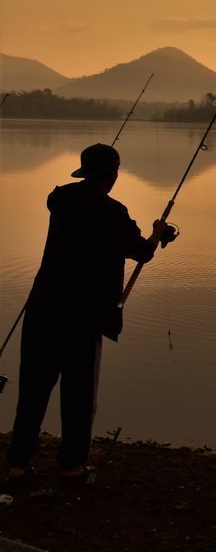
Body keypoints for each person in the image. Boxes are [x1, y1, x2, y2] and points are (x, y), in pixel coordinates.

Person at [6, 143, 177, 482]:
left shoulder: (60, 200)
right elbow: (141, 252)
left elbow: (72, 206)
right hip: (83, 317)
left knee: (33, 391)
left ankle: (17, 465)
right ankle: (70, 465)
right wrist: (159, 233)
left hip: (42, 309)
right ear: (111, 174)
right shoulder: (113, 212)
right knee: (78, 394)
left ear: (84, 172)